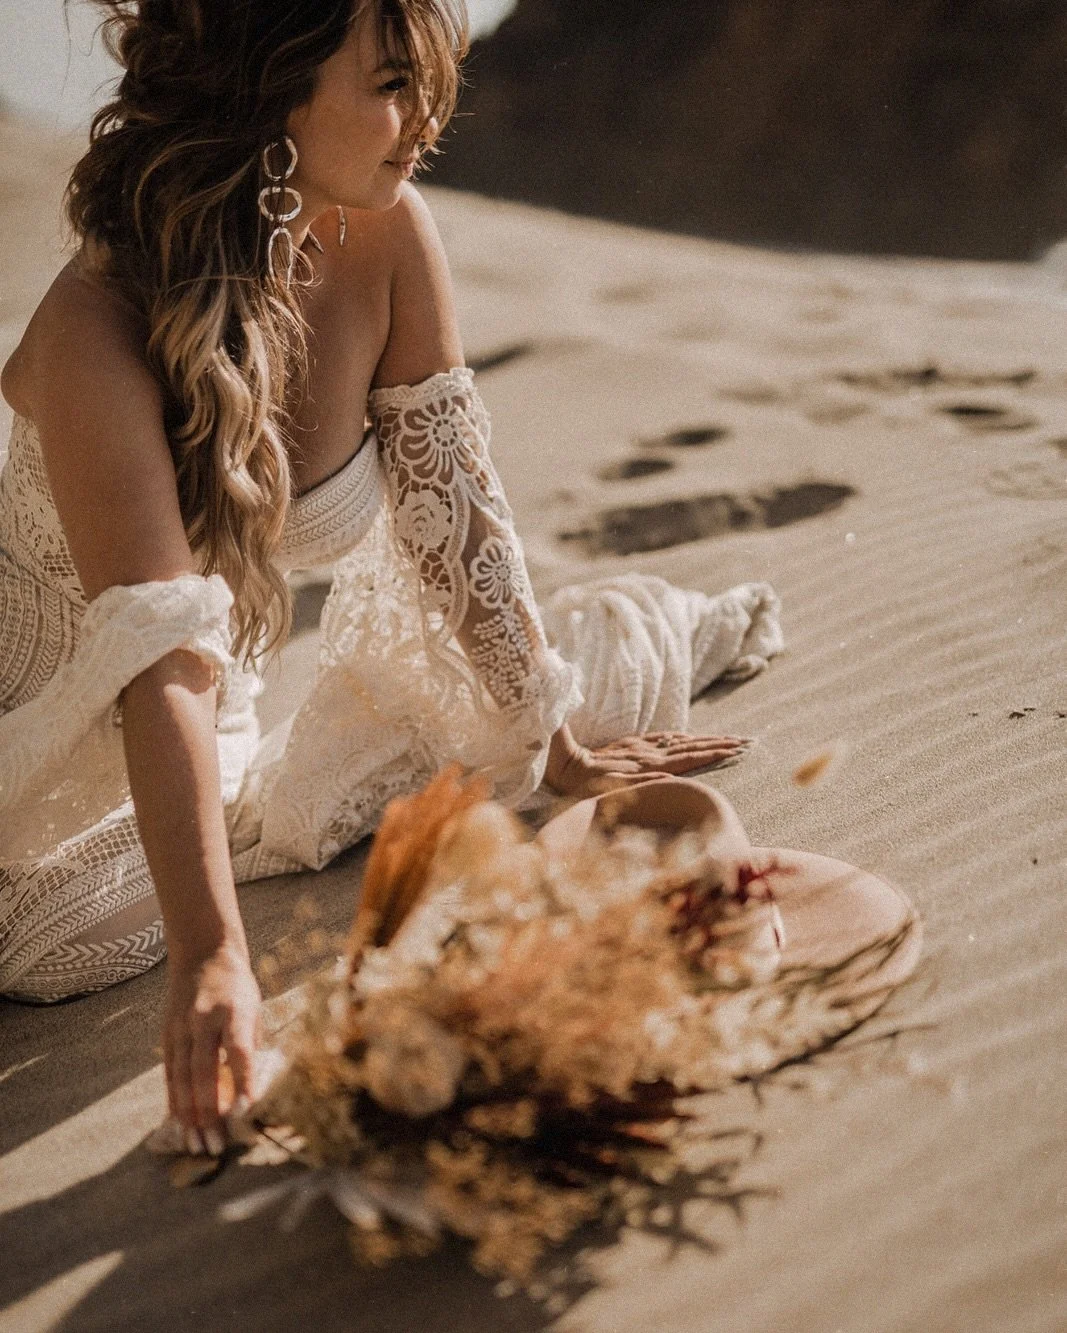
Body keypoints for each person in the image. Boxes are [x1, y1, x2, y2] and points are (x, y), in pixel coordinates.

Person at [0, 0, 783, 1157]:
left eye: (428, 81)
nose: (422, 124)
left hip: (209, 711)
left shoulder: (387, 231)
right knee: (59, 951)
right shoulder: (97, 329)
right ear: (268, 89)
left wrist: (547, 732)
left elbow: (454, 511)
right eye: (386, 85)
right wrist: (215, 951)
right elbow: (156, 654)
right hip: (46, 720)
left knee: (494, 742)